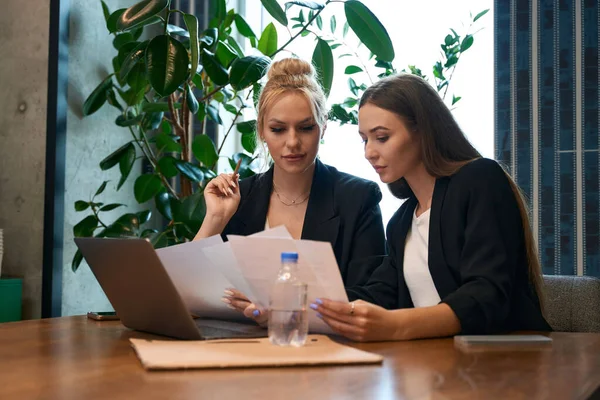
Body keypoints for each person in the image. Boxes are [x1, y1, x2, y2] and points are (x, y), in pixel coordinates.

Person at [310, 73, 551, 341]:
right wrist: (294, 306)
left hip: (507, 361)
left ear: (422, 131)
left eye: (382, 137)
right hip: (439, 366)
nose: (369, 152)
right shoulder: (402, 221)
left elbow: (488, 293)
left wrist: (397, 325)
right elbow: (380, 294)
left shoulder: (480, 179)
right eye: (364, 139)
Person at [194, 58, 386, 320]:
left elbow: (372, 298)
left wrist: (281, 308)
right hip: (239, 348)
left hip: (326, 350)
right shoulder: (238, 198)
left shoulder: (358, 198)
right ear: (261, 131)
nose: (293, 142)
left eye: (306, 128)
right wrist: (215, 218)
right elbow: (190, 293)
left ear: (323, 127)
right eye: (278, 129)